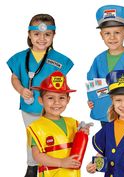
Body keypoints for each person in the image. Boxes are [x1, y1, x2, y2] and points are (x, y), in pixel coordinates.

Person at [6, 14, 74, 177]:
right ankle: (32, 166)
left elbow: (63, 84)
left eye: (47, 34)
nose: (42, 39)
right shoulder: (20, 58)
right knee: (34, 138)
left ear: (53, 35)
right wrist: (21, 90)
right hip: (30, 108)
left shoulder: (60, 60)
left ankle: (55, 165)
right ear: (29, 35)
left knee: (53, 137)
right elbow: (14, 77)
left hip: (52, 108)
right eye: (37, 34)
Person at [27, 71, 89, 177]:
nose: (57, 102)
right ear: (41, 100)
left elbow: (78, 148)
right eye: (50, 98)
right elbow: (37, 156)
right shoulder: (37, 127)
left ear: (68, 100)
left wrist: (83, 134)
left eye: (61, 98)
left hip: (72, 174)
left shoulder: (73, 123)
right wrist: (61, 163)